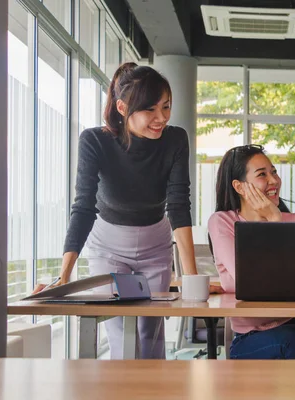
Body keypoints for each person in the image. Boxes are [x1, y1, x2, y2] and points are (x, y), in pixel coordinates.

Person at [33, 62, 216, 359]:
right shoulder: (95, 141)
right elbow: (83, 208)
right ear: (122, 107)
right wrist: (63, 276)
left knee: (150, 332)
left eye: (166, 107)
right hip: (108, 245)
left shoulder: (175, 139)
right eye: (151, 110)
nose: (161, 118)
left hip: (156, 244)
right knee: (118, 332)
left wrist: (191, 279)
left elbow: (179, 204)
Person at [207, 144, 295, 359]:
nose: (274, 181)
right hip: (251, 338)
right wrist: (273, 220)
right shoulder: (223, 222)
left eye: (274, 172)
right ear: (239, 186)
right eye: (262, 174)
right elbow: (251, 279)